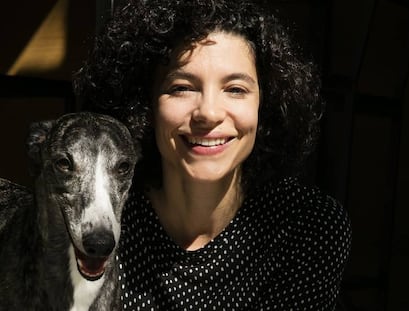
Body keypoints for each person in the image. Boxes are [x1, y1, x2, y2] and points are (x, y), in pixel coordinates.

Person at [74, 0, 352, 309]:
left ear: (266, 105)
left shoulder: (308, 227)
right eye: (181, 87)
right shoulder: (97, 223)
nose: (208, 112)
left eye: (235, 89)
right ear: (144, 104)